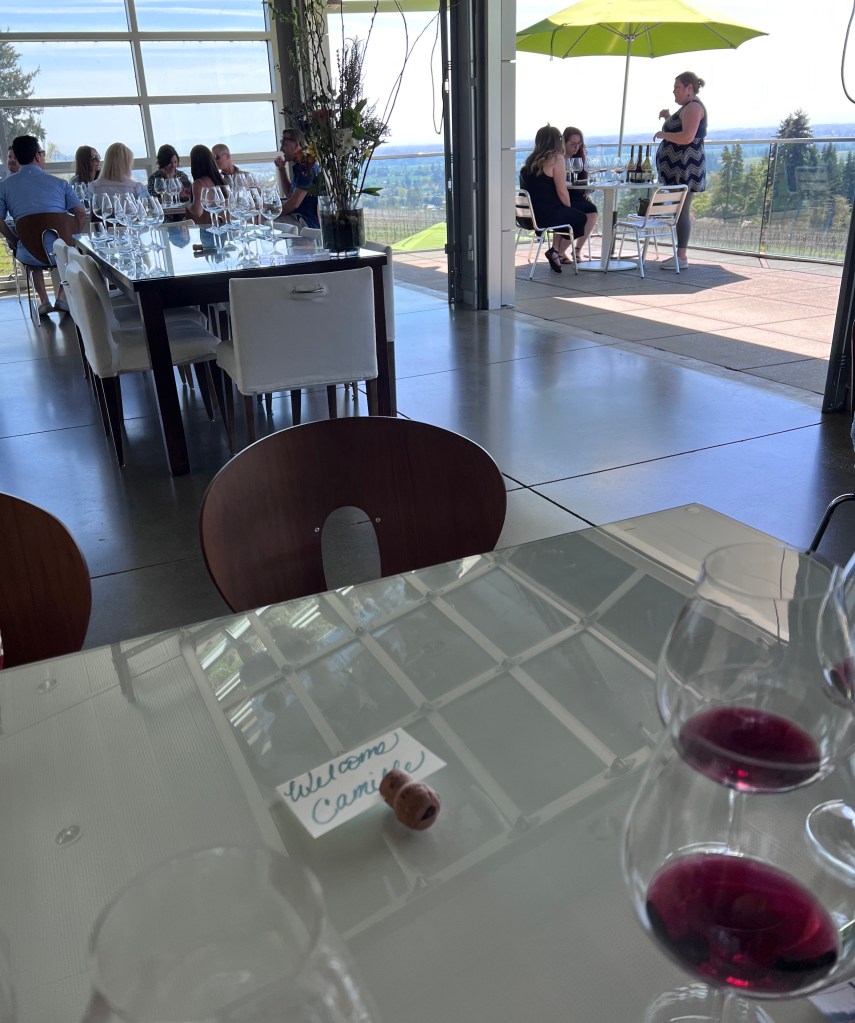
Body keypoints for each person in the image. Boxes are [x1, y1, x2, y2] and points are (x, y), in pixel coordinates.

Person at [0, 135, 86, 315]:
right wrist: (73, 236)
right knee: (69, 252)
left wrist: (15, 240)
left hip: (30, 253)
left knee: (26, 250)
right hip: (60, 251)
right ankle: (62, 298)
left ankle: (44, 300)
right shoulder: (60, 183)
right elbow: (80, 212)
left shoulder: (4, 186)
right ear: (38, 156)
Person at [654, 71, 707, 269]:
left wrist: (663, 133)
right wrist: (669, 117)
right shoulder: (687, 107)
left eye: (677, 87)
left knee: (682, 212)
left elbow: (687, 137)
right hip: (679, 167)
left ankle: (681, 257)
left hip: (685, 168)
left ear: (689, 88)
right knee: (680, 211)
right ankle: (680, 255)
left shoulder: (693, 107)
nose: (674, 91)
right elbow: (682, 129)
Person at [519, 125, 586, 273]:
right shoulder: (557, 158)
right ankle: (556, 251)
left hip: (529, 216)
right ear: (557, 141)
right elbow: (562, 190)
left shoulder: (529, 162)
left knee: (565, 215)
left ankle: (555, 250)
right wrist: (569, 208)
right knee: (579, 218)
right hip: (546, 216)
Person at [273, 129, 320, 229]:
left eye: (284, 143)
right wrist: (282, 170)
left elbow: (294, 203)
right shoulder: (300, 167)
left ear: (296, 144)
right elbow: (290, 195)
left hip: (305, 222)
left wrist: (273, 212)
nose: (281, 149)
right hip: (297, 218)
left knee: (265, 223)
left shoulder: (308, 167)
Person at [563, 126, 597, 260]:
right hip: (563, 196)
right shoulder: (559, 159)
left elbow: (587, 182)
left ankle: (577, 249)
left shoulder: (580, 159)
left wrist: (587, 190)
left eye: (579, 144)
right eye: (572, 144)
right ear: (564, 143)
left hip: (576, 195)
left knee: (591, 210)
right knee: (587, 211)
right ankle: (560, 251)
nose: (576, 147)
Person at [185, 144, 226, 224]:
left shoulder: (199, 184)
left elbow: (198, 212)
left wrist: (188, 204)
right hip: (222, 226)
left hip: (208, 229)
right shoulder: (218, 179)